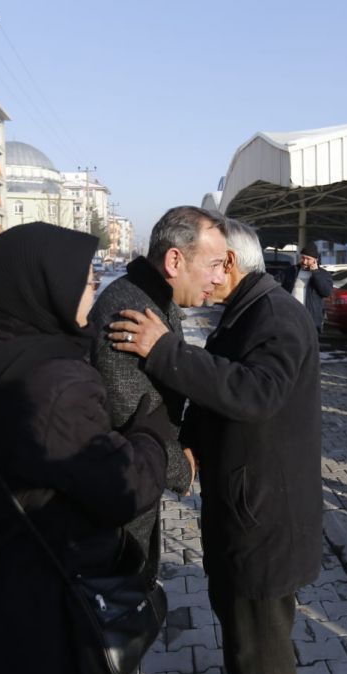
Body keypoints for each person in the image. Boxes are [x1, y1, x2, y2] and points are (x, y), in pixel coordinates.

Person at [0, 222, 173, 674]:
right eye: (86, 282)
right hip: (38, 611)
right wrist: (151, 433)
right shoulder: (56, 379)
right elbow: (124, 488)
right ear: (48, 286)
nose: (93, 293)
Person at [108, 219, 322, 674]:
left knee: (260, 656)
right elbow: (220, 392)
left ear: (228, 262)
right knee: (243, 640)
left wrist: (165, 350)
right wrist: (187, 447)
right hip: (245, 509)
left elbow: (254, 393)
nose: (205, 279)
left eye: (210, 264)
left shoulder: (276, 316)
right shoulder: (248, 310)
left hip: (264, 521)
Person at [90, 206, 226, 577]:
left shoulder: (151, 299)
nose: (219, 277)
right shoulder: (130, 310)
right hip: (118, 492)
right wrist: (180, 467)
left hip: (133, 481)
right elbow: (130, 407)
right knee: (121, 599)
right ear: (174, 260)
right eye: (214, 264)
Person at [281, 242, 332, 332]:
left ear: (315, 260)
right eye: (303, 258)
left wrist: (315, 272)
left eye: (308, 259)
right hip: (290, 317)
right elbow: (276, 283)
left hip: (310, 319)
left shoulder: (323, 274)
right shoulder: (291, 271)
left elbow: (326, 292)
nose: (304, 261)